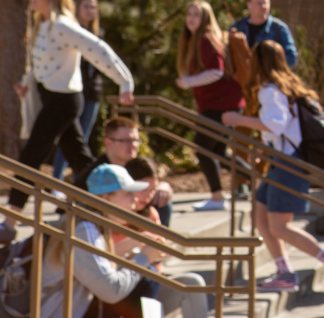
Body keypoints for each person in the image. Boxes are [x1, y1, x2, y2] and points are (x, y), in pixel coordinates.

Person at [0, 0, 135, 245]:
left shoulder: (63, 25)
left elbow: (96, 49)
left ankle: (10, 221)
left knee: (31, 155)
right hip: (51, 98)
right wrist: (27, 83)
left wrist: (124, 81)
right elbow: (41, 65)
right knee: (81, 161)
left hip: (64, 101)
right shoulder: (43, 25)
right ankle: (113, 207)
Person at [221, 40, 324, 296]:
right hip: (284, 161)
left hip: (288, 163)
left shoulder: (269, 90)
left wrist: (238, 119)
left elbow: (277, 125)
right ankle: (285, 273)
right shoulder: (287, 86)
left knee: (279, 225)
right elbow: (284, 128)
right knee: (260, 217)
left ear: (259, 62)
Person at [35, 164, 166, 318]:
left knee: (148, 280)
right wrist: (144, 258)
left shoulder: (89, 223)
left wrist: (137, 247)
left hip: (77, 308)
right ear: (106, 198)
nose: (135, 199)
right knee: (146, 280)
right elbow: (111, 291)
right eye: (128, 193)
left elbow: (101, 270)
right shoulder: (85, 231)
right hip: (61, 312)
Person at [176, 0, 245, 211]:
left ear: (206, 18)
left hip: (221, 105)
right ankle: (260, 183)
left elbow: (217, 71)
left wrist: (187, 81)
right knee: (217, 152)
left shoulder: (206, 38)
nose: (191, 18)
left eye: (196, 15)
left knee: (203, 148)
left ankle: (217, 197)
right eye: (189, 14)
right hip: (220, 103)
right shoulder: (198, 39)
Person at [122, 157, 209, 318]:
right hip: (124, 291)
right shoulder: (115, 215)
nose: (149, 196)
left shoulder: (151, 213)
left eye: (153, 189)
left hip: (150, 284)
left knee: (193, 283)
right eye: (144, 189)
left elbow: (156, 262)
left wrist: (158, 252)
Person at [74, 117, 175, 227]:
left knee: (162, 202)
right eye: (126, 140)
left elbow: (150, 180)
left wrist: (162, 185)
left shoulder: (134, 164)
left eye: (136, 140)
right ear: (108, 143)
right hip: (103, 226)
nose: (133, 145)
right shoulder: (98, 174)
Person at [52, 0, 106, 190]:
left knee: (82, 140)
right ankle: (56, 183)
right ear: (77, 8)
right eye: (86, 6)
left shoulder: (98, 33)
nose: (90, 11)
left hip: (92, 94)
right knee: (69, 138)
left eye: (93, 7)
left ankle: (78, 184)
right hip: (73, 92)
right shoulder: (71, 31)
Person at [231, 0, 298, 68]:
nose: (263, 6)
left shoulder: (279, 28)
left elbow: (292, 59)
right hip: (243, 78)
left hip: (270, 78)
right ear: (249, 4)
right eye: (259, 3)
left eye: (266, 3)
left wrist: (266, 62)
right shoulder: (237, 27)